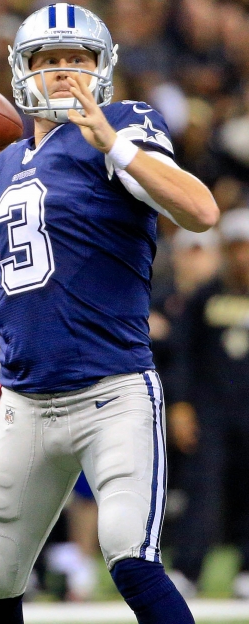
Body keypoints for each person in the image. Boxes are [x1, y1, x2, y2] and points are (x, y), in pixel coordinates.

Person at [0, 3, 218, 623]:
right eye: (51, 61)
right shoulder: (1, 171)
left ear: (103, 70)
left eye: (79, 60)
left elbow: (200, 211)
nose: (66, 73)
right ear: (24, 72)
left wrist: (116, 147)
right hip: (24, 401)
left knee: (130, 557)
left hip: (112, 390)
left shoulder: (122, 128)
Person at [169, 208, 249, 599]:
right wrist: (180, 405)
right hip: (211, 409)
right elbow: (183, 353)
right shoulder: (205, 297)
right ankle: (188, 570)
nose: (243, 258)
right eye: (237, 249)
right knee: (203, 491)